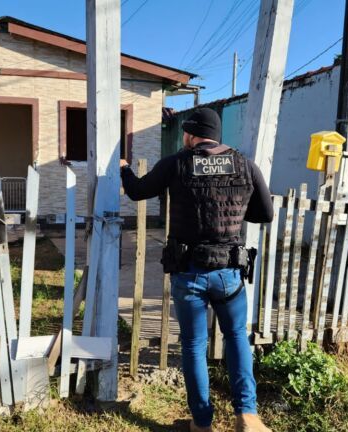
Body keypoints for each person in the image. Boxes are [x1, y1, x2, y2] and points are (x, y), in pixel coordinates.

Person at [120, 107, 273, 432]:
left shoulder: (177, 163)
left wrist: (124, 170)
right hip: (229, 272)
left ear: (190, 134)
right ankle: (247, 415)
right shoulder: (245, 165)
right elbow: (266, 214)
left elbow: (137, 191)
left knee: (193, 345)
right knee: (237, 337)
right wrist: (231, 209)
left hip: (188, 271)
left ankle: (202, 424)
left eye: (184, 134)